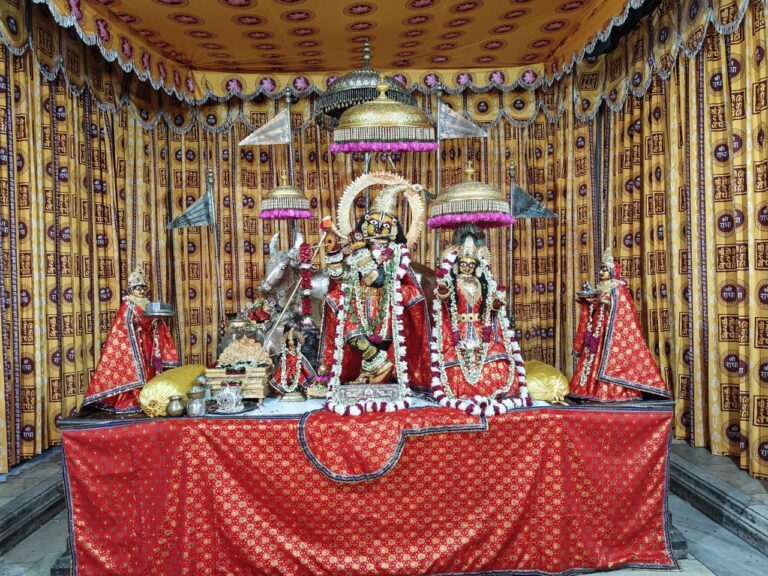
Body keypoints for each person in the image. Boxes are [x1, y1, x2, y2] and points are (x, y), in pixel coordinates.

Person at [318, 176, 431, 414]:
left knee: (390, 325)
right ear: (363, 226)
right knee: (338, 305)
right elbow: (339, 277)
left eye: (384, 224)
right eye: (372, 223)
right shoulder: (356, 248)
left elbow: (377, 279)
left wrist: (361, 254)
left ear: (394, 228)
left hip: (386, 302)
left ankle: (383, 370)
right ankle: (371, 366)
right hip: (357, 302)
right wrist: (333, 251)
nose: (378, 228)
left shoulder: (396, 252)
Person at [430, 228, 528, 415]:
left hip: (481, 328)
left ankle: (493, 392)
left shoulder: (483, 284)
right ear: (458, 264)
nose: (467, 267)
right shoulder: (453, 281)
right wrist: (443, 289)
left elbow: (491, 306)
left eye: (471, 264)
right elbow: (444, 297)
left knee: (494, 357)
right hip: (457, 328)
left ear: (476, 265)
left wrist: (497, 304)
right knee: (455, 358)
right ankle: (461, 393)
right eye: (464, 263)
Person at [569, 248, 670, 402]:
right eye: (601, 270)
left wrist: (600, 301)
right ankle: (591, 390)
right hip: (599, 329)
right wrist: (589, 301)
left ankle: (618, 392)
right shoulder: (601, 286)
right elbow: (598, 307)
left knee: (610, 359)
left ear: (612, 271)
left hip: (611, 331)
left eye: (605, 270)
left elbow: (621, 307)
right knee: (593, 359)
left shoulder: (618, 287)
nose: (601, 273)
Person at [82, 266, 180, 413]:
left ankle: (149, 398)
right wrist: (139, 324)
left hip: (149, 343)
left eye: (143, 287)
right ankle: (134, 398)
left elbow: (157, 322)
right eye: (137, 287)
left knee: (151, 370)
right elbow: (123, 324)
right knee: (136, 370)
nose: (140, 290)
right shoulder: (128, 304)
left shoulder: (149, 304)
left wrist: (156, 321)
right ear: (131, 288)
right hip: (134, 343)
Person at [270, 326, 315, 396]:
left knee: (299, 379)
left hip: (297, 372)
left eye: (294, 346)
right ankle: (288, 390)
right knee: (285, 378)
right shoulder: (285, 356)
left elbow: (304, 365)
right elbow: (280, 367)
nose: (292, 348)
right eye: (290, 346)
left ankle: (298, 390)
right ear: (288, 347)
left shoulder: (299, 355)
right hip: (287, 373)